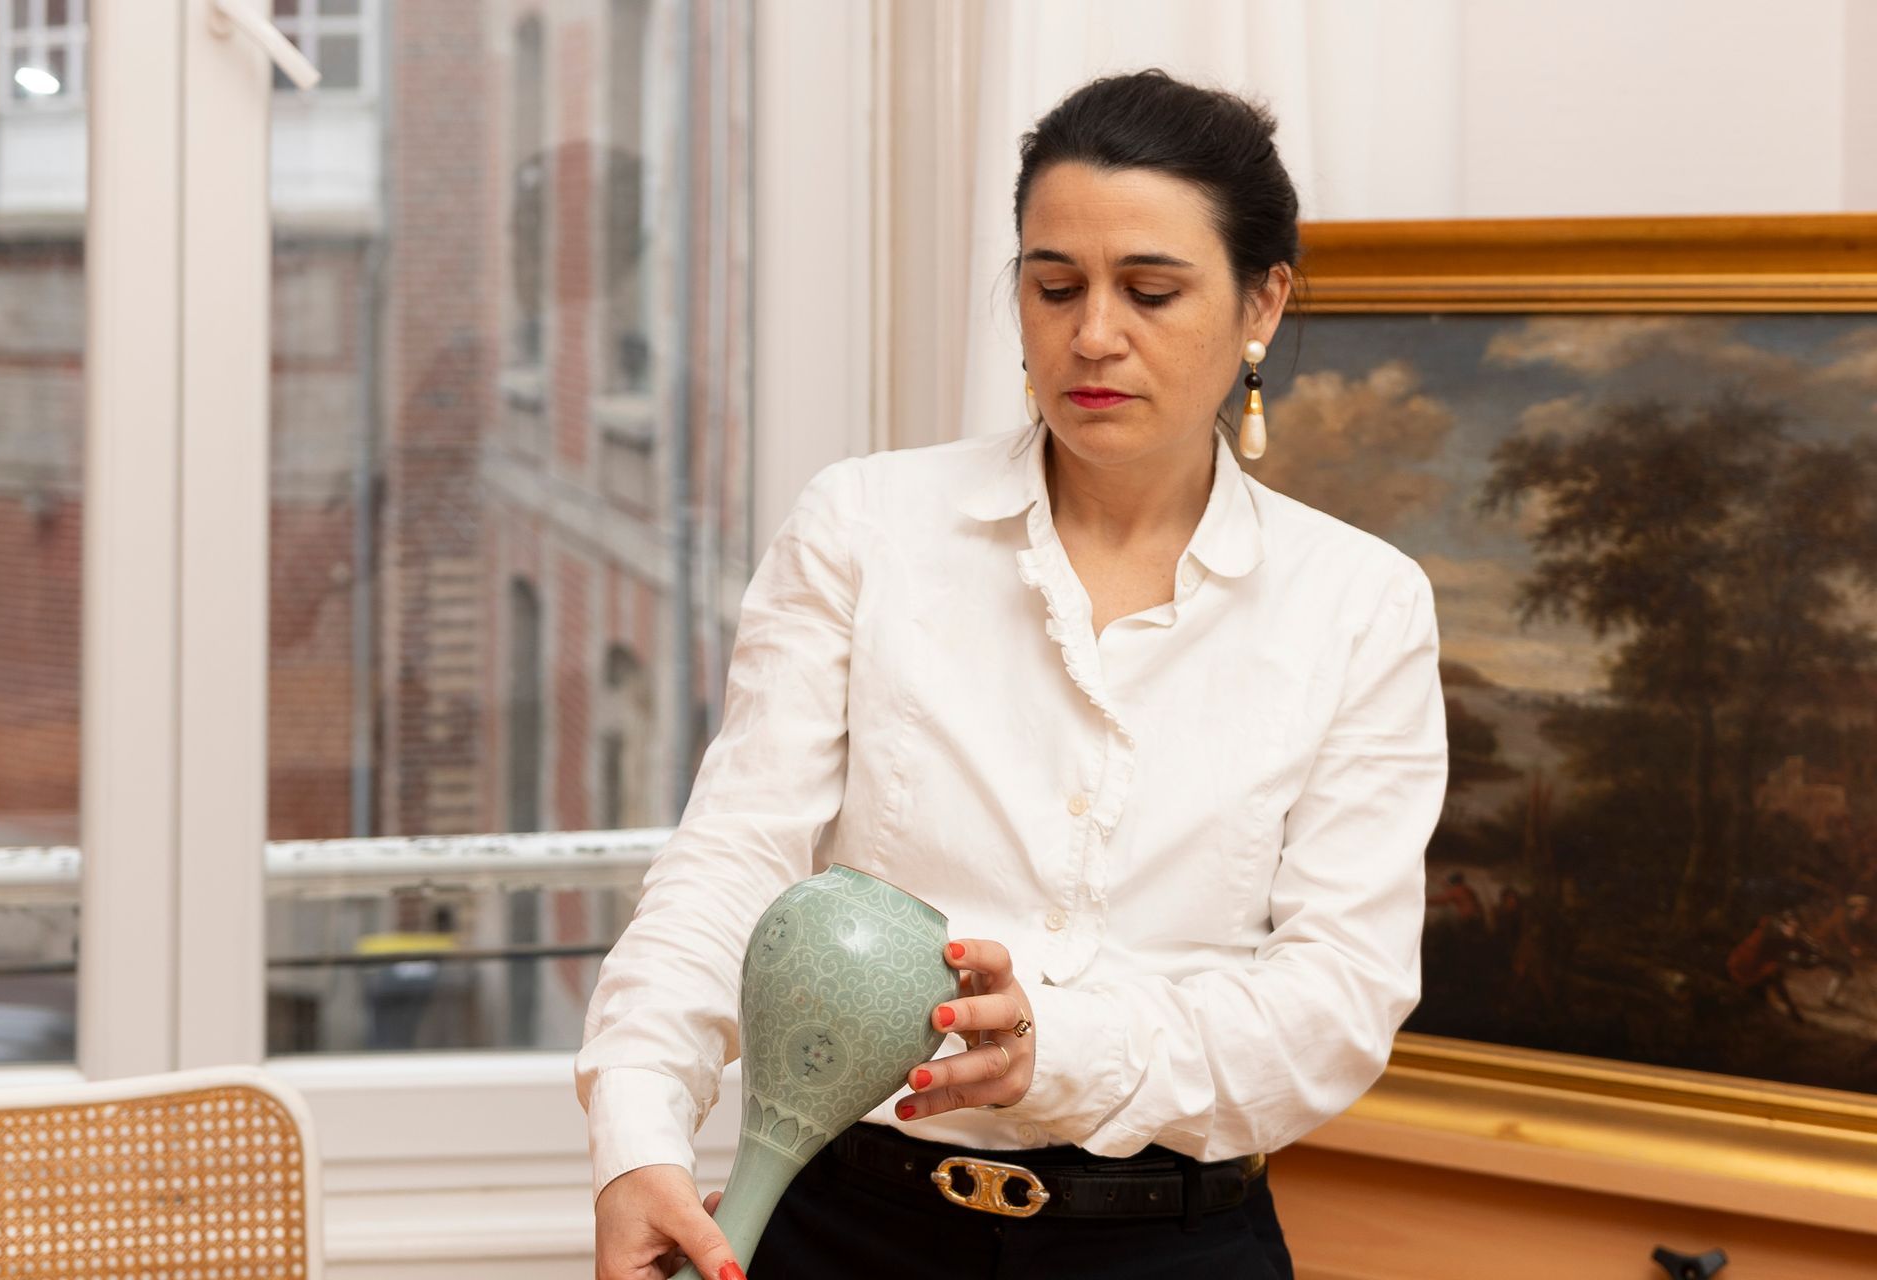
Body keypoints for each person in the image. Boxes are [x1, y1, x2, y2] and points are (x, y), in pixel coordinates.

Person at [577, 70, 1449, 1280]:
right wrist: (636, 1128)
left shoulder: (1361, 604)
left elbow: (1336, 1004)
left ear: (1264, 304)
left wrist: (1066, 1043)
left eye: (1151, 290)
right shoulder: (867, 527)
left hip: (1177, 1248)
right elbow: (733, 861)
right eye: (1054, 286)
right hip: (850, 1226)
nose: (1094, 332)